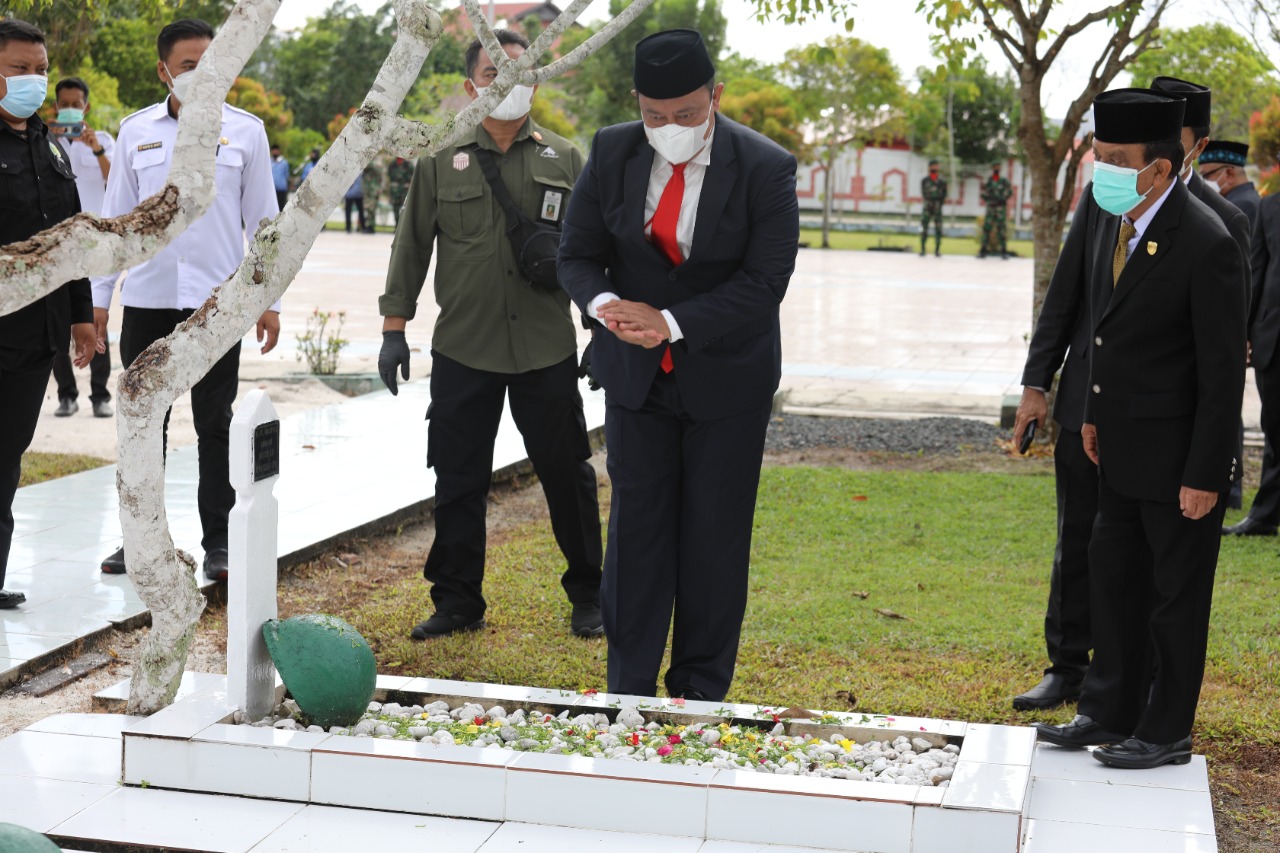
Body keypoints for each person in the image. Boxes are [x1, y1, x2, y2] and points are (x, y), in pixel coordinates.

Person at [558, 29, 800, 701]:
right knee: (635, 541)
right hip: (635, 383)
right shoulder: (611, 150)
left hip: (727, 384)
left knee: (714, 541)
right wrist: (608, 306)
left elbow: (764, 282)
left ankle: (698, 691)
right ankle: (627, 691)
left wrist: (669, 323)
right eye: (655, 115)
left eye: (688, 114)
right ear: (637, 103)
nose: (671, 129)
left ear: (715, 96)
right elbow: (575, 254)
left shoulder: (766, 166)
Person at [1010, 75, 1251, 712]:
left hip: (1165, 433)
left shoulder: (1214, 229)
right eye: (1099, 156)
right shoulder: (1103, 203)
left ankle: (1148, 700)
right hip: (1093, 415)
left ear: (1176, 154)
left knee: (1158, 576)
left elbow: (1220, 363)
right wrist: (1041, 384)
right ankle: (1077, 676)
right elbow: (1068, 298)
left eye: (1117, 160)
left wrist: (1212, 465)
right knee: (1088, 550)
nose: (1104, 172)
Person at [377, 29, 603, 640]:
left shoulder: (565, 158)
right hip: (464, 349)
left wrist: (599, 329)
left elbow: (591, 253)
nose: (508, 82)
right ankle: (457, 602)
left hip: (545, 348)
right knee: (458, 478)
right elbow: (412, 244)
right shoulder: (438, 156)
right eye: (493, 71)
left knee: (568, 474)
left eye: (521, 69)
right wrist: (394, 329)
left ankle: (590, 593)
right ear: (470, 83)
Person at [94, 18, 281, 581]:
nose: (203, 76)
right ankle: (139, 539)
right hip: (148, 302)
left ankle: (219, 543)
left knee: (215, 426)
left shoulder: (246, 132)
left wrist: (267, 300)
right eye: (189, 66)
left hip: (217, 307)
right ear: (164, 71)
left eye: (214, 65)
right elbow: (117, 223)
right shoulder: (137, 133)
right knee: (143, 424)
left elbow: (264, 225)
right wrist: (100, 301)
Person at [0, 20, 97, 609]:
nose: (33, 80)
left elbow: (74, 241)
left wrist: (82, 316)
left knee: (7, 456)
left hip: (37, 337)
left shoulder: (52, 146)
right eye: (19, 69)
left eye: (39, 69)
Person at [1151, 77, 1252, 512]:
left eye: (1176, 137)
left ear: (1199, 145)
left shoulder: (1223, 219)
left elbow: (1222, 356)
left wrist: (1213, 469)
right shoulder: (1113, 204)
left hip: (1185, 406)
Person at [49, 75, 115, 419]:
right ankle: (66, 394)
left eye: (77, 104)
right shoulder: (44, 141)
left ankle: (100, 395)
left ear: (86, 107)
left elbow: (116, 182)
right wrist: (47, 136)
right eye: (65, 104)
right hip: (58, 245)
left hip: (94, 245)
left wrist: (97, 149)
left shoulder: (103, 140)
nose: (71, 109)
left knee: (95, 317)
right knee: (60, 319)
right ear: (56, 107)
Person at [1225, 171, 1280, 537]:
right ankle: (1264, 516)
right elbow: (1256, 271)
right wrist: (1246, 332)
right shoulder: (1270, 207)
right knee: (1275, 428)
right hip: (1272, 338)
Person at [1199, 140, 1260, 227]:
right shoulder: (1247, 197)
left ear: (1230, 173)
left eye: (1206, 175)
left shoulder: (1242, 204)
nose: (1204, 181)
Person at [979, 163, 1011, 258]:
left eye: (998, 167)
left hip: (1000, 209)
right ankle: (983, 251)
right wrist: (988, 198)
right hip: (991, 208)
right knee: (986, 229)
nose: (996, 169)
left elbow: (1009, 191)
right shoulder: (988, 181)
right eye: (994, 167)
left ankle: (1004, 252)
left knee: (1001, 230)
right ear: (992, 168)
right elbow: (982, 192)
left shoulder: (1004, 181)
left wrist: (1003, 198)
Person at [919, 159, 946, 257]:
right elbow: (924, 193)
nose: (934, 168)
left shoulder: (941, 182)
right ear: (929, 167)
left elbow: (944, 195)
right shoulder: (925, 181)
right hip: (927, 207)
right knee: (924, 228)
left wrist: (938, 203)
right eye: (932, 166)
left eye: (936, 166)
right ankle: (922, 249)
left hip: (937, 207)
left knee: (938, 228)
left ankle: (937, 250)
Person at [387, 155, 413, 225]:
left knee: (405, 209)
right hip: (395, 191)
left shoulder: (408, 165)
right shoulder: (392, 165)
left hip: (405, 191)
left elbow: (413, 177)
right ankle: (397, 226)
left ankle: (404, 226)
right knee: (395, 208)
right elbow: (389, 176)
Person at [361, 159, 382, 233]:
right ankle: (369, 226)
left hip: (373, 192)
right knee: (368, 209)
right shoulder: (367, 172)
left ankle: (371, 226)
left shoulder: (374, 166)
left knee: (371, 209)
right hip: (367, 191)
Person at [270, 143, 289, 210]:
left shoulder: (284, 163)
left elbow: (286, 175)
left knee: (281, 208)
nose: (275, 152)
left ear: (279, 151)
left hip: (281, 189)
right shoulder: (269, 162)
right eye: (274, 150)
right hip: (271, 190)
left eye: (276, 150)